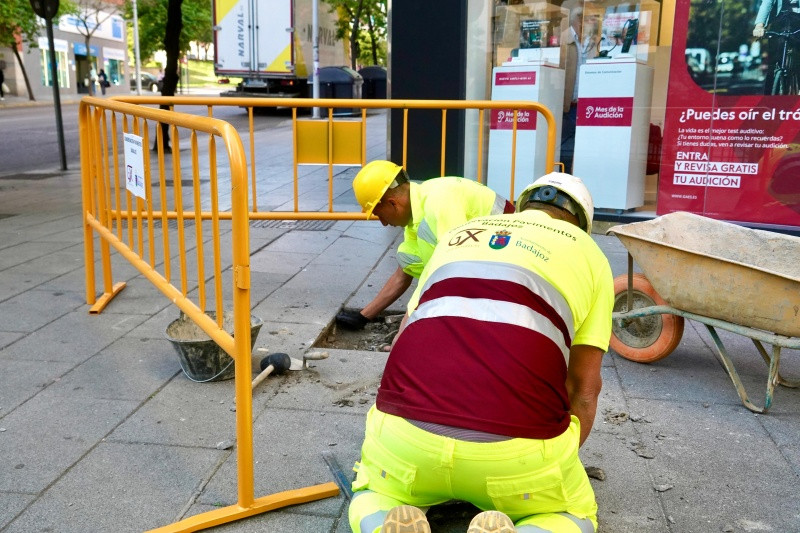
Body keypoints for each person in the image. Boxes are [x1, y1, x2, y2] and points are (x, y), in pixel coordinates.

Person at [348, 172, 614, 533]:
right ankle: (535, 522)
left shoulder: (458, 234)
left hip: (405, 440)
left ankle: (380, 521)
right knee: (574, 515)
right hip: (514, 457)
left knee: (370, 493)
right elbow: (584, 387)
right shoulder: (591, 255)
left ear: (522, 206)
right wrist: (554, 468)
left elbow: (404, 339)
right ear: (582, 223)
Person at [335, 160, 514, 330]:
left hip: (508, 257)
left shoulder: (439, 204)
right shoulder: (419, 205)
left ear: (393, 203)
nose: (382, 222)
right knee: (408, 255)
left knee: (434, 251)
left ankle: (461, 321)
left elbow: (450, 269)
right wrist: (364, 316)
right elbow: (403, 274)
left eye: (379, 214)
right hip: (484, 252)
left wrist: (406, 328)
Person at [560, 9, 597, 173]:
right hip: (568, 105)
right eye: (589, 18)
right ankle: (562, 180)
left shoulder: (593, 41)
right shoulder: (564, 39)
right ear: (578, 19)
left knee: (583, 149)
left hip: (587, 106)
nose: (592, 21)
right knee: (564, 148)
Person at [753, 0, 800, 94]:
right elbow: (767, 3)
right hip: (780, 21)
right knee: (773, 62)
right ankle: (768, 98)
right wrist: (759, 25)